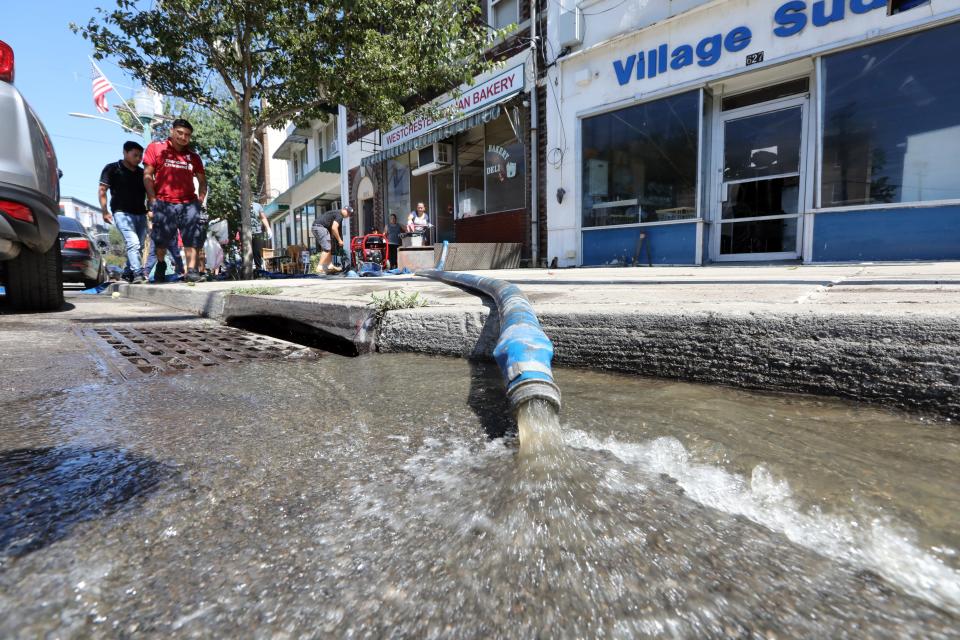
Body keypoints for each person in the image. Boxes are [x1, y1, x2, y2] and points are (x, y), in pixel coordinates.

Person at [143, 118, 208, 283]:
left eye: (187, 135)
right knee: (161, 242)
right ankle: (161, 263)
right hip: (163, 203)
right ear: (172, 131)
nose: (183, 137)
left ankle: (192, 271)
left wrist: (200, 200)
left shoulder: (193, 157)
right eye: (180, 133)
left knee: (192, 237)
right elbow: (147, 175)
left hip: (189, 203)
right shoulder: (156, 148)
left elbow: (202, 181)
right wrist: (152, 199)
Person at [98, 141, 147, 283]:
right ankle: (138, 273)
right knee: (133, 243)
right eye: (135, 155)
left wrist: (150, 211)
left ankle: (127, 272)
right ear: (125, 153)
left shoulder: (142, 173)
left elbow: (149, 193)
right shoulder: (112, 169)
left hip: (140, 214)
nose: (138, 159)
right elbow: (102, 190)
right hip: (121, 213)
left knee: (140, 246)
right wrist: (104, 210)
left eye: (140, 156)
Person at [311, 205, 352, 275]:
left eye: (350, 214)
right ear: (344, 210)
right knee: (326, 248)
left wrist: (334, 239)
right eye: (348, 213)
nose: (348, 215)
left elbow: (332, 229)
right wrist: (339, 240)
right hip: (320, 228)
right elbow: (334, 228)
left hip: (317, 227)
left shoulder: (335, 213)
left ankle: (330, 265)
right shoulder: (340, 215)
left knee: (328, 246)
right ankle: (319, 267)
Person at [250, 200, 273, 272]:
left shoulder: (257, 205)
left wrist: (268, 228)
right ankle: (247, 270)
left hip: (257, 232)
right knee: (246, 252)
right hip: (245, 232)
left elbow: (263, 217)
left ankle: (258, 270)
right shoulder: (239, 206)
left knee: (256, 252)